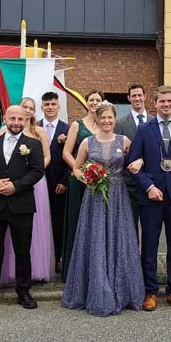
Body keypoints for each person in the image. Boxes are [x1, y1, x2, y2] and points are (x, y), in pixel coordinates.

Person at [62, 102, 142, 315]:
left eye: (110, 118)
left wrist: (140, 161)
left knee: (119, 239)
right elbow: (76, 168)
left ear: (115, 119)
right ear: (96, 119)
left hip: (118, 196)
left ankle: (121, 291)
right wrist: (88, 179)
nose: (106, 121)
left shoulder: (124, 141)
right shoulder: (87, 142)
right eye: (103, 118)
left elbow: (137, 159)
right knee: (96, 238)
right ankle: (96, 289)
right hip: (95, 196)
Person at [128, 85, 171, 311]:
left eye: (170, 101)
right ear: (155, 103)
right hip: (151, 197)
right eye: (162, 102)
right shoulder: (144, 129)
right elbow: (134, 164)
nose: (166, 105)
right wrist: (148, 186)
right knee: (148, 245)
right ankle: (150, 292)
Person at [0, 105, 44, 310]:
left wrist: (16, 186)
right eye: (12, 118)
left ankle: (23, 292)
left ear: (26, 121)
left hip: (21, 205)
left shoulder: (33, 144)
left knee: (22, 251)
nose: (16, 122)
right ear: (5, 118)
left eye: (20, 119)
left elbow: (37, 171)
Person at [1, 97, 54, 285]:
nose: (29, 110)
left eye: (31, 108)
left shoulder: (39, 132)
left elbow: (47, 157)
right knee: (12, 228)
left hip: (36, 181)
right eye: (25, 107)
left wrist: (34, 169)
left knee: (35, 227)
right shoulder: (4, 131)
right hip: (12, 181)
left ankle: (36, 270)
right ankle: (10, 271)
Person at [61, 90, 104, 279]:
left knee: (97, 224)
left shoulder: (106, 125)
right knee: (78, 223)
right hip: (79, 181)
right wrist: (83, 173)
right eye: (91, 100)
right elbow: (66, 153)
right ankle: (73, 271)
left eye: (98, 100)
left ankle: (95, 268)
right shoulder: (77, 125)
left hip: (101, 183)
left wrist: (100, 176)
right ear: (86, 103)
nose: (94, 103)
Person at [40, 91, 70, 269]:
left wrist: (65, 181)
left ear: (59, 106)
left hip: (59, 184)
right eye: (46, 105)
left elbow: (73, 156)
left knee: (58, 221)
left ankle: (57, 257)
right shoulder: (34, 128)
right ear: (42, 107)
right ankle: (42, 259)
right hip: (38, 183)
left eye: (53, 104)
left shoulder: (67, 129)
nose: (50, 107)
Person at [115, 83, 151, 217]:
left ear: (145, 96)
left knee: (150, 227)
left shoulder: (155, 122)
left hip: (151, 181)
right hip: (130, 183)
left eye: (139, 95)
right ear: (129, 98)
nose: (137, 98)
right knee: (131, 225)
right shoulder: (120, 124)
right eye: (133, 96)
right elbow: (117, 152)